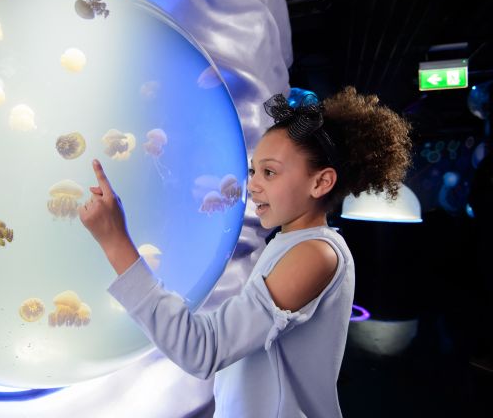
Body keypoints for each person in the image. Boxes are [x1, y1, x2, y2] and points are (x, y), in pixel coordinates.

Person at [78, 86, 412, 417]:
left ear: (321, 182)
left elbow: (201, 350)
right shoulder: (289, 244)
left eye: (270, 172)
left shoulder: (315, 254)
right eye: (253, 170)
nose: (252, 184)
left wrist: (115, 242)